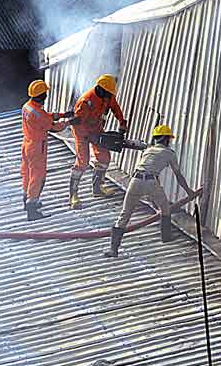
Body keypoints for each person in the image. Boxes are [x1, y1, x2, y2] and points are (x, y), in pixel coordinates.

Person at [106, 124, 195, 258]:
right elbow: (178, 175)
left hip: (134, 181)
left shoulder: (147, 150)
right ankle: (166, 237)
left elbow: (146, 167)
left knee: (124, 215)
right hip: (151, 182)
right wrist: (189, 191)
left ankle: (113, 250)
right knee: (165, 208)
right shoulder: (170, 153)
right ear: (166, 139)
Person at [68, 74, 128, 210]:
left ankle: (97, 188)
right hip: (81, 132)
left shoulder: (108, 96)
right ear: (100, 89)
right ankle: (73, 196)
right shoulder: (86, 101)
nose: (109, 96)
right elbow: (78, 122)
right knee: (82, 162)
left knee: (104, 158)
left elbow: (115, 108)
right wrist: (89, 137)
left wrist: (122, 122)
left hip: (96, 129)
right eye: (108, 93)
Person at [21, 80, 73, 221]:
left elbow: (44, 116)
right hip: (38, 147)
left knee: (27, 173)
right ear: (41, 95)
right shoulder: (38, 114)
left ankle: (26, 199)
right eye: (45, 93)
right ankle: (32, 208)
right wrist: (69, 122)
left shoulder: (28, 106)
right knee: (38, 177)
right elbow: (54, 127)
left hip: (27, 143)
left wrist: (62, 115)